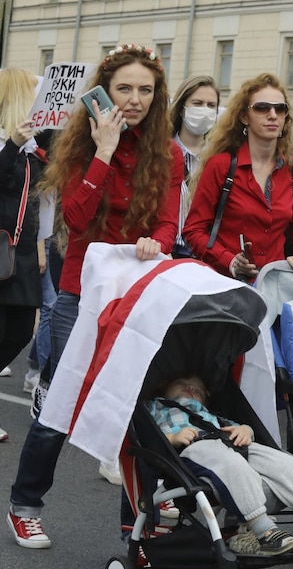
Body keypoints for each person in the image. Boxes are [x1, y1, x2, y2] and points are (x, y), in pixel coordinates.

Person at [8, 43, 185, 549]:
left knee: (138, 405)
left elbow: (169, 220)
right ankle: (25, 505)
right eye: (123, 88)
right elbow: (78, 219)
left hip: (138, 295)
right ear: (103, 92)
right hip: (80, 296)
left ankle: (139, 518)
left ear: (157, 97)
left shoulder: (168, 153)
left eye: (144, 90)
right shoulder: (80, 145)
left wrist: (159, 240)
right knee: (60, 408)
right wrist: (104, 151)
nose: (133, 100)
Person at [146, 373, 293, 555]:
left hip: (228, 442)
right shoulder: (156, 405)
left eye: (198, 388)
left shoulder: (211, 415)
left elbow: (240, 427)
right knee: (232, 465)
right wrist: (171, 438)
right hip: (193, 449)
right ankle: (265, 531)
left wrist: (245, 430)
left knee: (286, 463)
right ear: (162, 388)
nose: (190, 387)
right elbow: (147, 434)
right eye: (182, 383)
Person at [184, 73, 293, 281]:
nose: (273, 115)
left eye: (280, 108)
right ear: (244, 117)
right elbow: (194, 230)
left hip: (276, 286)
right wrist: (229, 260)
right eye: (262, 108)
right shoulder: (221, 166)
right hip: (224, 284)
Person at [0, 68, 47, 403]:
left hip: (24, 254)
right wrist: (12, 147)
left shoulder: (34, 148)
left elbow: (42, 201)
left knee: (18, 334)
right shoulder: (9, 146)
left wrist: (41, 244)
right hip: (2, 249)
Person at [169, 75, 220, 258]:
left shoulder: (219, 158)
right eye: (197, 103)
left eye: (211, 105)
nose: (204, 110)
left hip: (204, 253)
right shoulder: (162, 153)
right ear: (182, 108)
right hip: (166, 250)